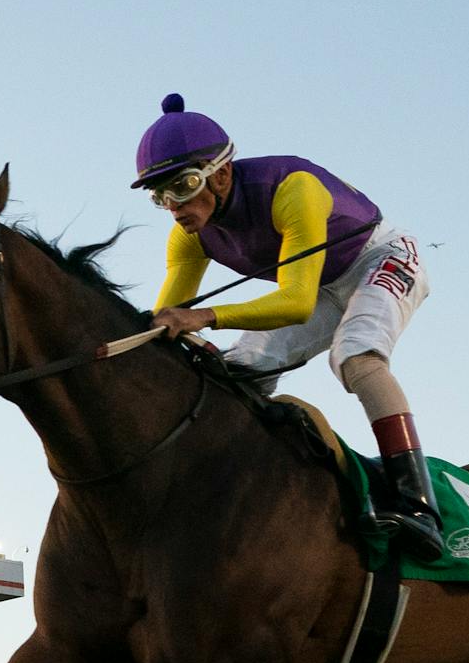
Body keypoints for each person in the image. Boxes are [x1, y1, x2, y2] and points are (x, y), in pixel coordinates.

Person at [135, 94, 443, 559]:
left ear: (220, 174)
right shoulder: (186, 236)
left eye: (183, 186)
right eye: (160, 196)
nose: (174, 207)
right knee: (237, 371)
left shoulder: (291, 187)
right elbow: (167, 324)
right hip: (320, 282)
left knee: (355, 356)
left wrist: (205, 318)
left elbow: (296, 303)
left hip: (379, 258)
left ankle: (419, 506)